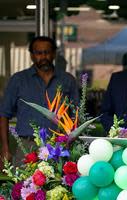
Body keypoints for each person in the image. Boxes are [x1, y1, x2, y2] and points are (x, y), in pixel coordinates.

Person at [0, 36, 79, 167]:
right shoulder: (19, 80)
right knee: (23, 186)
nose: (43, 57)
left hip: (58, 146)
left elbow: (76, 115)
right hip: (26, 146)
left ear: (53, 53)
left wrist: (71, 144)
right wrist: (5, 148)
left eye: (47, 52)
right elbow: (4, 114)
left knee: (58, 186)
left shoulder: (67, 80)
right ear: (32, 55)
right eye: (39, 53)